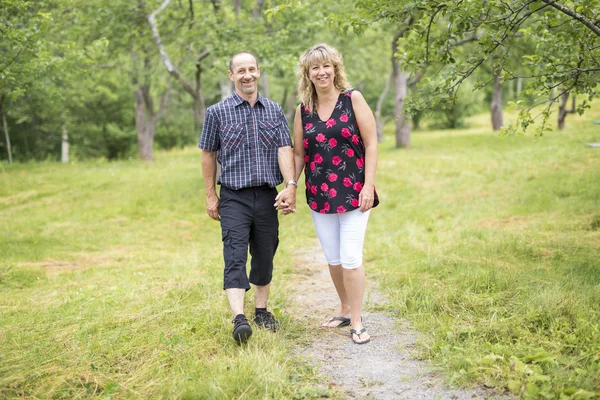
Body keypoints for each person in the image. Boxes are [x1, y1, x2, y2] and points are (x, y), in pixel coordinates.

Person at [199, 52, 297, 344]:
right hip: (233, 197)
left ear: (258, 72)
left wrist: (290, 186)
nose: (247, 75)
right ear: (231, 75)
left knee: (265, 254)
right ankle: (239, 318)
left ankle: (262, 310)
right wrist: (210, 195)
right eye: (240, 70)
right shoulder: (217, 112)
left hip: (267, 196)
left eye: (251, 69)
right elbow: (208, 154)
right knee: (235, 254)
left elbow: (284, 148)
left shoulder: (274, 110)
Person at [292, 43, 379, 345]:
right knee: (333, 258)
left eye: (326, 65)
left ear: (335, 68)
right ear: (308, 73)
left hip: (354, 192)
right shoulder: (303, 110)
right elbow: (300, 155)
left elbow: (371, 144)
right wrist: (290, 186)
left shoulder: (352, 99)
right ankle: (344, 308)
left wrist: (368, 186)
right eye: (315, 67)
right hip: (320, 195)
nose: (321, 72)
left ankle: (357, 321)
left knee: (351, 258)